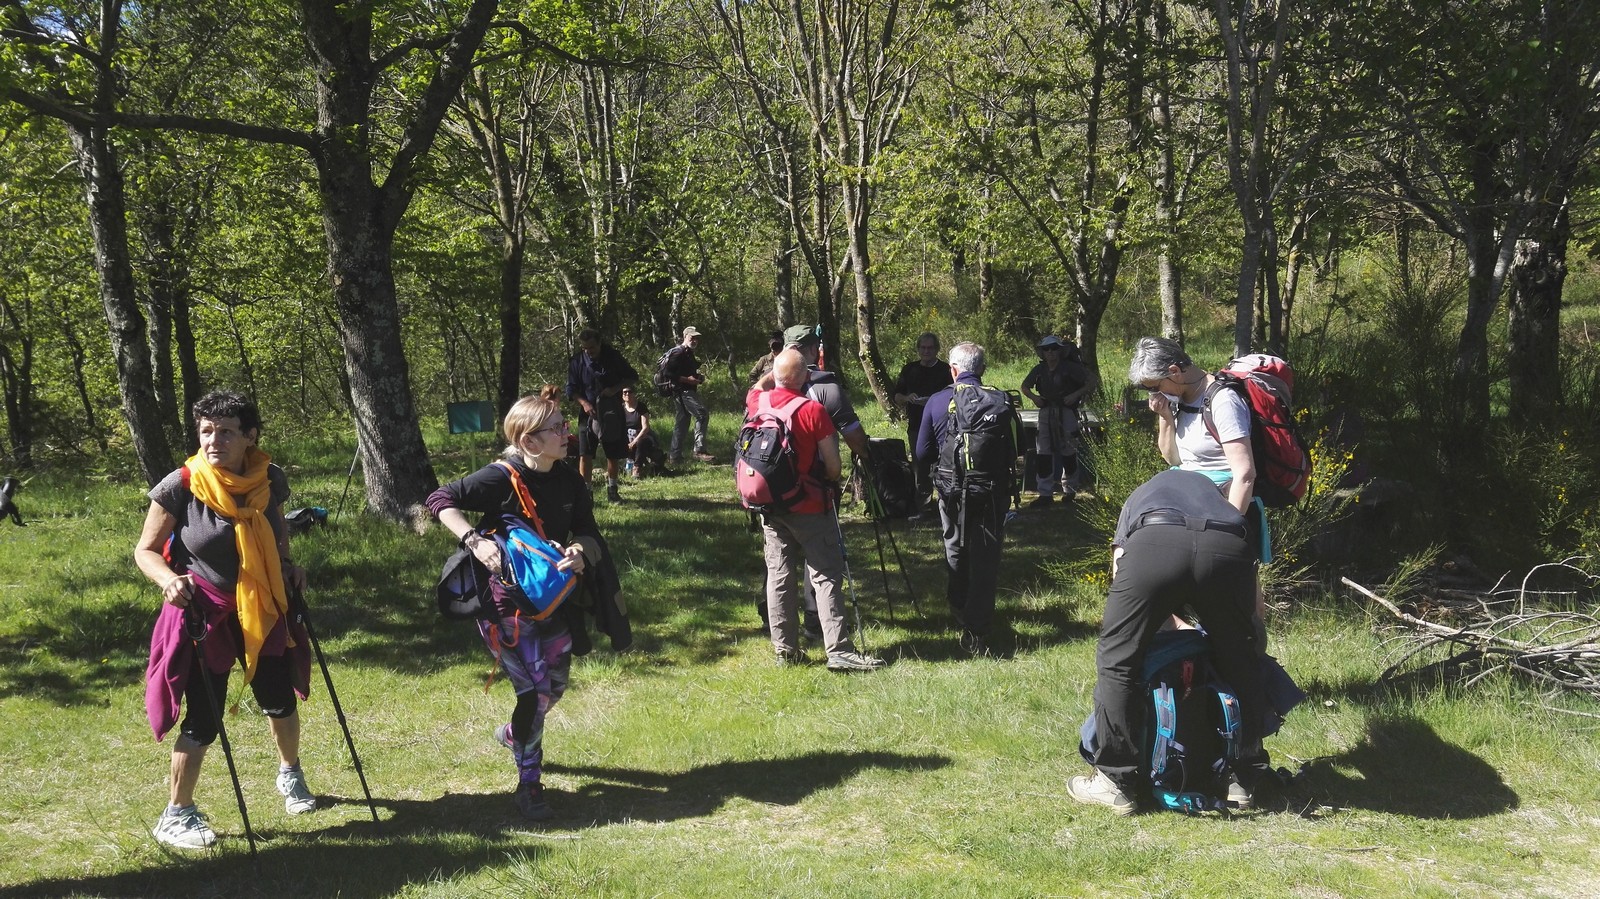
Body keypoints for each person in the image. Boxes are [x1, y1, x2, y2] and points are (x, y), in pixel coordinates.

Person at [135, 390, 315, 850]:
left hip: (262, 604)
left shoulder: (268, 477)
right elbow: (145, 551)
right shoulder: (181, 484)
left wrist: (287, 564)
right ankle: (176, 814)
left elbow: (276, 528)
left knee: (279, 698)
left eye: (227, 431)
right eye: (207, 431)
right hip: (204, 611)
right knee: (205, 714)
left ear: (250, 436)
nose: (214, 440)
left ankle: (290, 774)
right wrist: (168, 580)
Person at [425, 386, 599, 821]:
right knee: (534, 694)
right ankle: (529, 786)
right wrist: (474, 540)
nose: (566, 433)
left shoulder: (570, 479)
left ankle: (512, 734)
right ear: (529, 441)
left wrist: (580, 551)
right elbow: (439, 499)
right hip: (504, 607)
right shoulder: (500, 477)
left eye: (564, 425)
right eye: (556, 428)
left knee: (553, 689)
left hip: (552, 601)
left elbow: (588, 531)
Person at [1067, 468, 1272, 814]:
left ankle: (1115, 781)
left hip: (1155, 541)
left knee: (1118, 660)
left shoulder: (1141, 496)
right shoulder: (1223, 506)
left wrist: (1164, 626)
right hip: (1227, 546)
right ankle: (1241, 779)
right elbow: (1256, 611)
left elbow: (1121, 572)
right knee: (1241, 660)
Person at [752, 349, 884, 672]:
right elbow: (834, 468)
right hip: (810, 505)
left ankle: (785, 651)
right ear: (806, 377)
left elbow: (759, 385)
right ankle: (838, 650)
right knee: (825, 574)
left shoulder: (758, 402)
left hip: (771, 504)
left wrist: (776, 372)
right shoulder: (813, 410)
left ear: (775, 375)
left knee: (779, 575)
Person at [916, 342, 1018, 656]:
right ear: (982, 369)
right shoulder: (1000, 400)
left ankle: (958, 605)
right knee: (986, 557)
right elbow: (1018, 449)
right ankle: (978, 628)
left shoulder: (937, 401)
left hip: (952, 490)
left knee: (955, 546)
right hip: (991, 490)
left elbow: (921, 451)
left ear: (953, 370)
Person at [1128, 337, 1255, 516]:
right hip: (1188, 497)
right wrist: (1165, 416)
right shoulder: (1178, 398)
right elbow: (1173, 459)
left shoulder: (1223, 401)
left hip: (1220, 502)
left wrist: (1230, 524)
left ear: (1175, 371)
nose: (1155, 394)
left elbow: (1245, 474)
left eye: (1156, 387)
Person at [565, 327, 639, 502]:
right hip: (587, 412)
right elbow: (571, 389)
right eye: (585, 348)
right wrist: (584, 403)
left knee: (612, 453)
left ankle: (613, 490)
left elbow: (632, 377)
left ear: (599, 343)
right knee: (585, 453)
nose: (588, 351)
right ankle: (586, 494)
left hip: (610, 411)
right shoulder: (577, 361)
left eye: (591, 347)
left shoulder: (613, 357)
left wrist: (614, 390)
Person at [1020, 335, 1095, 507]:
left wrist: (1075, 395)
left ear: (1060, 350)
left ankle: (1070, 490)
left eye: (1054, 348)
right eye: (1046, 349)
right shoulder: (1039, 369)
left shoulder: (1071, 368)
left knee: (1069, 451)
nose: (1050, 352)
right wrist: (1035, 398)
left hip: (1067, 411)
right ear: (1042, 352)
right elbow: (1025, 386)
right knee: (1043, 453)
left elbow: (1092, 382)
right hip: (1045, 412)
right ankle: (1045, 494)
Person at [891, 332, 953, 506]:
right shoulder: (909, 369)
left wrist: (935, 400)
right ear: (918, 349)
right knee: (920, 465)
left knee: (945, 463)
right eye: (923, 348)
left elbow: (955, 394)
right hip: (917, 425)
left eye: (930, 348)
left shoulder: (946, 370)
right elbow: (896, 396)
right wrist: (907, 398)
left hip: (942, 426)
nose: (926, 351)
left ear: (937, 349)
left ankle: (947, 501)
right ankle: (924, 505)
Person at [663, 326, 715, 464]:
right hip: (682, 391)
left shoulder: (688, 353)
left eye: (696, 338)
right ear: (685, 336)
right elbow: (668, 373)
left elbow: (685, 371)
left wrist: (697, 377)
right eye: (692, 337)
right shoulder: (678, 352)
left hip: (686, 390)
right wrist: (687, 380)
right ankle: (699, 451)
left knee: (682, 421)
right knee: (702, 414)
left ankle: (675, 456)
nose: (695, 340)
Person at [621, 386, 663, 477]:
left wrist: (634, 441)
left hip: (643, 437)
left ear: (634, 394)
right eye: (625, 392)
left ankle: (637, 468)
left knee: (641, 442)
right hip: (627, 438)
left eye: (630, 392)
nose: (627, 394)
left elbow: (645, 428)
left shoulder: (641, 407)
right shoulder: (621, 408)